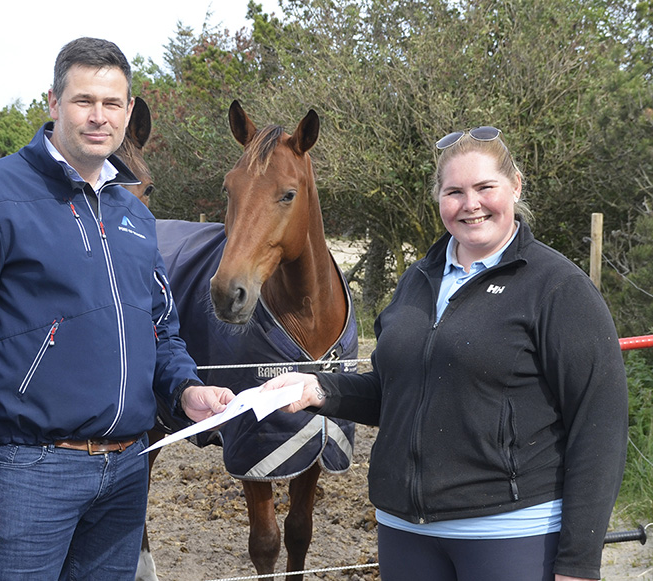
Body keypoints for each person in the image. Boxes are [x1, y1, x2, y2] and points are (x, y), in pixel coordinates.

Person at [0, 37, 234, 580]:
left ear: (129, 111)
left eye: (112, 104)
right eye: (83, 101)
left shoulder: (132, 213)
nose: (99, 117)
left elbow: (159, 327)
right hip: (31, 469)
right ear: (52, 102)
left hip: (126, 471)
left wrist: (187, 388)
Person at [262, 127, 628, 581]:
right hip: (404, 532)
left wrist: (578, 563)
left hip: (510, 534)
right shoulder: (418, 280)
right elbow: (396, 392)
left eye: (485, 188)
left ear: (515, 185)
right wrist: (319, 388)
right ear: (439, 198)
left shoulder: (557, 288)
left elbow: (600, 424)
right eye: (454, 191)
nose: (470, 204)